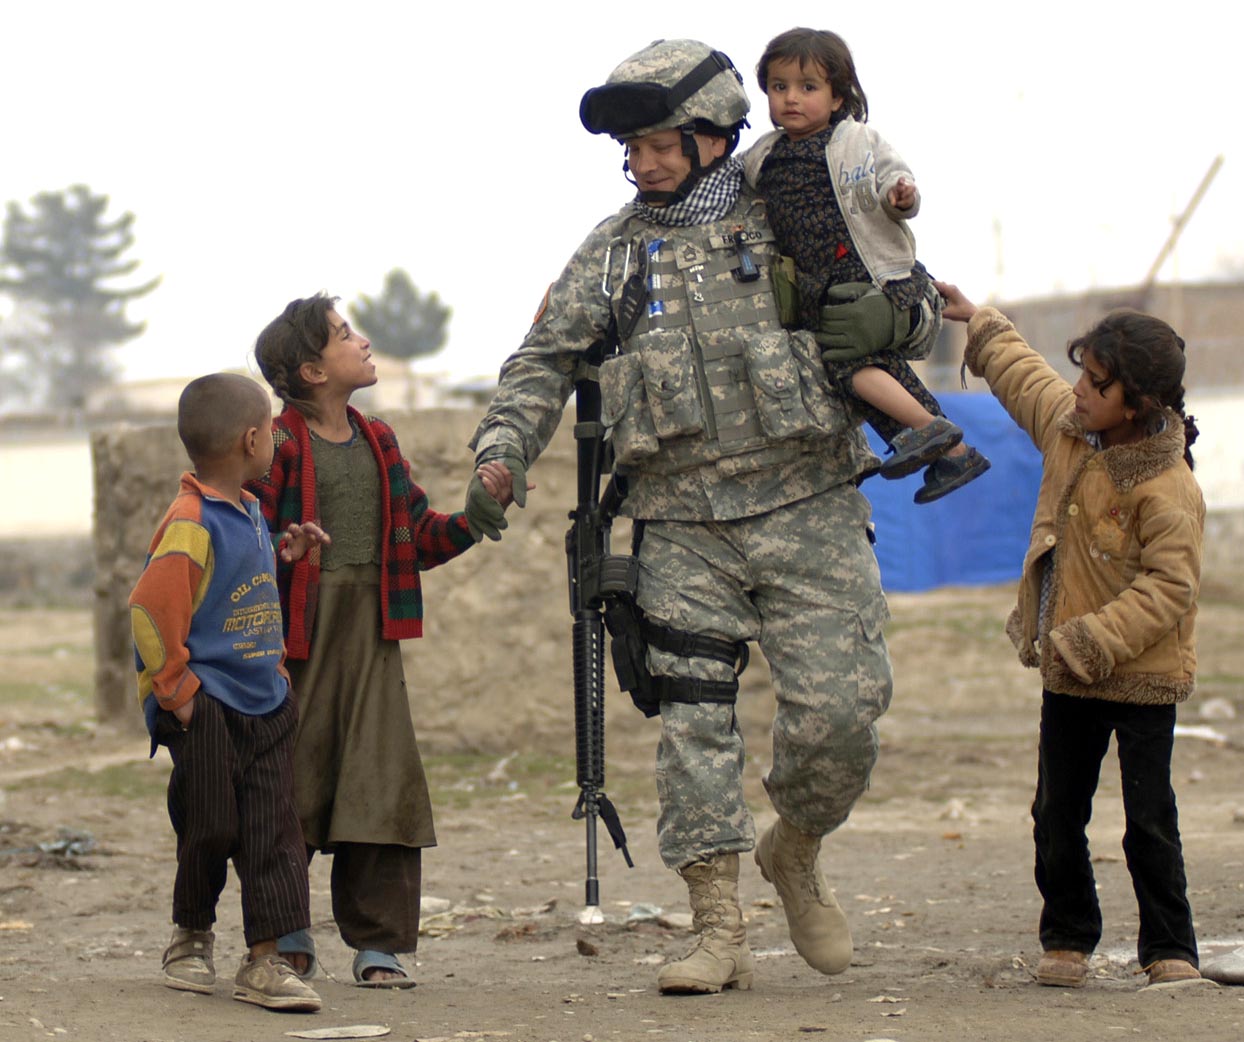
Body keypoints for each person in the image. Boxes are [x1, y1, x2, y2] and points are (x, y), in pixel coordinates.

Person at [465, 39, 893, 995]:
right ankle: (716, 927)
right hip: (680, 523)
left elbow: (894, 281)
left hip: (810, 505)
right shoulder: (614, 250)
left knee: (842, 716)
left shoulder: (791, 211)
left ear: (714, 135)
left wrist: (907, 324)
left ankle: (797, 847)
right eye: (632, 149)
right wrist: (499, 455)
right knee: (695, 727)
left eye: (660, 143)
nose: (643, 163)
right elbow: (540, 361)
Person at [939, 281, 1206, 990]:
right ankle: (1067, 937)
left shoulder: (1169, 486)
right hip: (1069, 675)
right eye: (1083, 377)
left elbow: (1171, 588)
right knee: (1057, 813)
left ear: (1138, 404)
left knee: (1149, 820)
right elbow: (1026, 377)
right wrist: (982, 324)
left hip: (1142, 674)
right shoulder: (1069, 429)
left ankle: (1170, 950)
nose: (1080, 392)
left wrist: (1088, 640)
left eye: (1097, 384)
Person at [245, 294, 514, 988]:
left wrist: (479, 515)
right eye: (344, 335)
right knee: (290, 785)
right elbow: (248, 544)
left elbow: (418, 537)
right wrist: (286, 551)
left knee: (380, 778)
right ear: (310, 370)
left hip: (372, 637)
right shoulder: (278, 445)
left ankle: (379, 945)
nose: (363, 343)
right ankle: (285, 934)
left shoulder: (378, 440)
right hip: (298, 643)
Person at [130, 372, 323, 1012]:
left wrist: (285, 555)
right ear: (250, 439)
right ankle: (191, 936)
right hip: (208, 706)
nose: (275, 442)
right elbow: (150, 612)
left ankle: (266, 960)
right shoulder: (190, 521)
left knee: (274, 831)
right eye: (271, 431)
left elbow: (235, 589)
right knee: (210, 824)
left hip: (266, 701)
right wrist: (178, 693)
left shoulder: (251, 513)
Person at [740, 27, 990, 504]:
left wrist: (901, 195)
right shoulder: (764, 155)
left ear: (837, 97)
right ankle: (953, 451)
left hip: (868, 276)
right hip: (818, 289)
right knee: (876, 373)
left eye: (808, 87)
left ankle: (926, 430)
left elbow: (896, 179)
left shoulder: (856, 140)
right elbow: (737, 193)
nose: (791, 98)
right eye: (779, 87)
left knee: (850, 366)